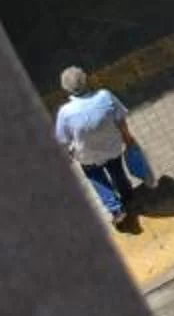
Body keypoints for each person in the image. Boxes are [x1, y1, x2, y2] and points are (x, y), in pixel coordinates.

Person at [53, 68, 147, 230]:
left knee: (97, 179)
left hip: (87, 156)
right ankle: (127, 196)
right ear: (85, 80)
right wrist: (128, 138)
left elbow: (63, 140)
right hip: (112, 148)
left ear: (66, 88)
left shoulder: (65, 113)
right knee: (117, 172)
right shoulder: (105, 96)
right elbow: (121, 120)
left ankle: (116, 210)